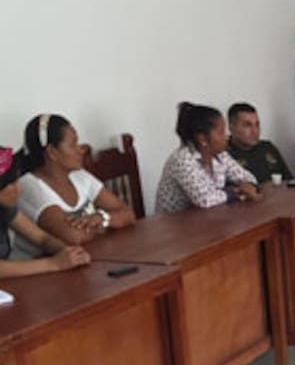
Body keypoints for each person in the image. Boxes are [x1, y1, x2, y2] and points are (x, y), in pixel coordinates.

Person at [13, 114, 135, 256]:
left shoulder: (79, 176)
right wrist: (110, 222)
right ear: (52, 152)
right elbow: (73, 237)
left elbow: (128, 214)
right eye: (73, 145)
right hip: (39, 266)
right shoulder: (29, 186)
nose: (80, 149)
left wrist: (101, 219)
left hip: (87, 257)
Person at [156, 102, 262, 214]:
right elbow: (205, 200)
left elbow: (248, 177)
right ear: (202, 139)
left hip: (206, 217)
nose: (226, 136)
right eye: (221, 132)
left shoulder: (220, 155)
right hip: (174, 222)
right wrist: (238, 191)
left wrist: (250, 186)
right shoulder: (182, 159)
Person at [0, 146, 90, 278]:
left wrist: (68, 251)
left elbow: (42, 238)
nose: (19, 189)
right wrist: (53, 264)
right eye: (11, 184)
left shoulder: (5, 208)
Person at [225, 102, 294, 183]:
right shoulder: (223, 154)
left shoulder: (267, 147)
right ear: (231, 127)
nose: (255, 131)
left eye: (257, 125)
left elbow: (290, 182)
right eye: (247, 125)